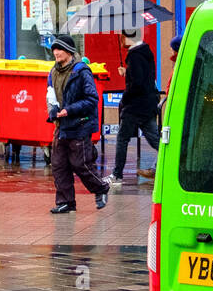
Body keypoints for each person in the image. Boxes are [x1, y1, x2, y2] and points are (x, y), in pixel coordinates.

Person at [47, 33, 110, 213]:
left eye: (59, 49)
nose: (56, 53)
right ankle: (65, 202)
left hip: (79, 125)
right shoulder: (53, 73)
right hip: (61, 126)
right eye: (54, 50)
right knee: (59, 165)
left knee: (80, 164)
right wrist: (52, 110)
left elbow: (92, 99)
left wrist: (70, 109)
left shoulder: (82, 71)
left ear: (69, 51)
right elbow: (50, 95)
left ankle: (101, 188)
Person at [102, 29, 159, 187]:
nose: (121, 40)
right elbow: (144, 76)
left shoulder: (134, 55)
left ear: (128, 38)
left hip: (135, 106)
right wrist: (127, 73)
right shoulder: (145, 51)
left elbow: (138, 83)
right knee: (155, 139)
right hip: (147, 104)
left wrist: (125, 99)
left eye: (122, 37)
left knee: (122, 139)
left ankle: (117, 175)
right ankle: (176, 160)